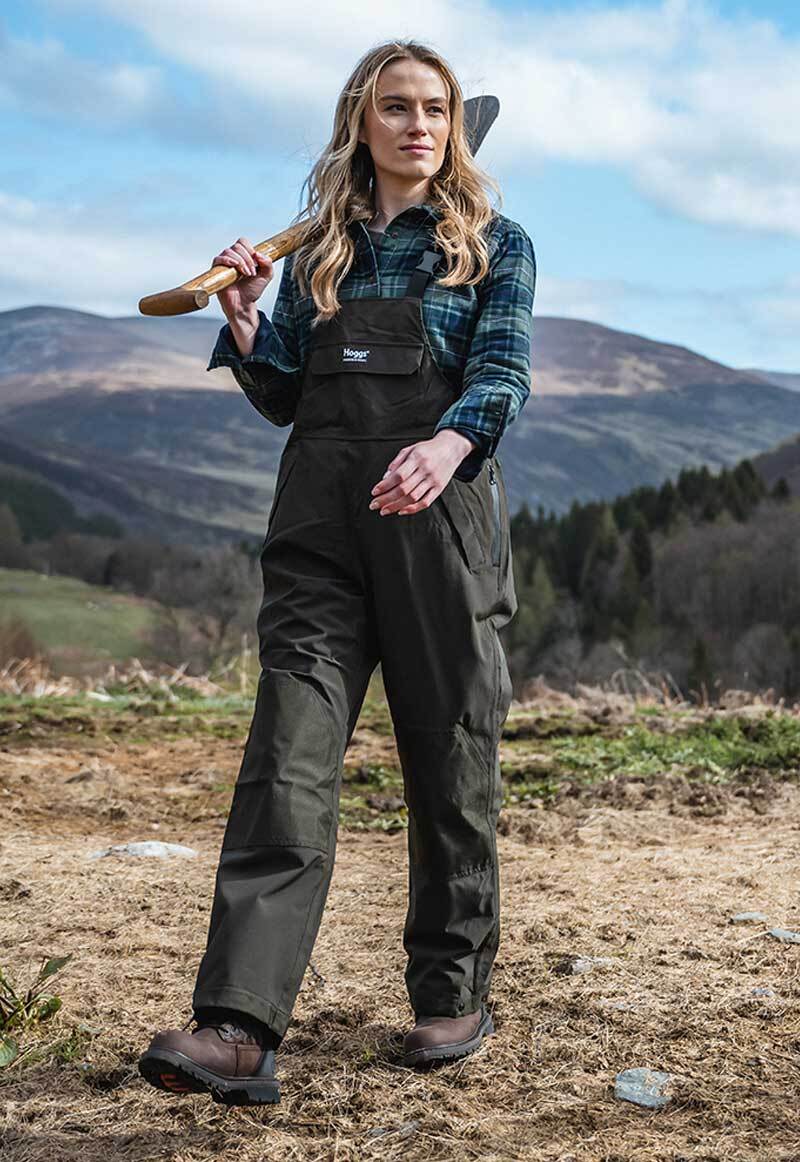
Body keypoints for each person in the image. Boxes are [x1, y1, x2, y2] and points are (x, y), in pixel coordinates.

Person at [138, 38, 536, 1106]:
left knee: (447, 762)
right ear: (361, 122)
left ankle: (450, 986)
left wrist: (447, 444)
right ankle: (236, 1024)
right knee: (286, 759)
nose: (417, 125)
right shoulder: (320, 254)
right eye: (396, 108)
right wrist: (246, 323)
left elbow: (500, 374)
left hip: (437, 536)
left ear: (454, 127)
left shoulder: (491, 246)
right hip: (318, 539)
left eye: (436, 109)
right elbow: (285, 397)